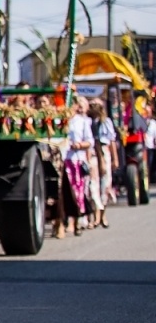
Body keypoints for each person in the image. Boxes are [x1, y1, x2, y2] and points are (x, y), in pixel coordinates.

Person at [65, 94, 93, 235]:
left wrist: (79, 145)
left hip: (77, 159)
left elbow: (90, 141)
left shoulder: (81, 122)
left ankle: (76, 221)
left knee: (77, 191)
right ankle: (66, 220)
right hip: (64, 159)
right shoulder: (61, 120)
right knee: (65, 191)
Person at [93, 98, 116, 222]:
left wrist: (115, 159)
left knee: (106, 184)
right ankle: (97, 214)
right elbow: (96, 142)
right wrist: (101, 160)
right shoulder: (93, 123)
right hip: (96, 153)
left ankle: (103, 214)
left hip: (105, 151)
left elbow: (111, 140)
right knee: (95, 184)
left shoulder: (107, 122)